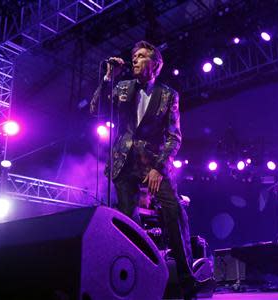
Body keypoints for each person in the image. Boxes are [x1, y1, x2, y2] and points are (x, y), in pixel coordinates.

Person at [90, 40, 211, 299]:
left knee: (174, 210)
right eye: (133, 56)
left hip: (153, 163)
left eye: (141, 56)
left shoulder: (168, 95)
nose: (134, 59)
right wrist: (108, 78)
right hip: (123, 160)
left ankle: (186, 278)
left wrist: (158, 168)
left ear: (155, 65)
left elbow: (174, 137)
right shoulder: (122, 87)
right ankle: (136, 276)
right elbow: (96, 110)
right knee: (126, 219)